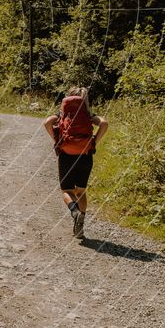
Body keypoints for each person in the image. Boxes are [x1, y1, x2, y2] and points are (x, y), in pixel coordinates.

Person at [43, 87, 108, 240]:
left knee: (66, 190)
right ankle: (81, 223)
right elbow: (104, 124)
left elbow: (47, 123)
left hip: (66, 156)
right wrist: (93, 143)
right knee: (81, 192)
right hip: (85, 157)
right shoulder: (88, 115)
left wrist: (57, 140)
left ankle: (74, 211)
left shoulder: (62, 113)